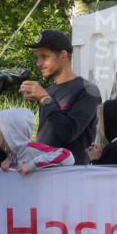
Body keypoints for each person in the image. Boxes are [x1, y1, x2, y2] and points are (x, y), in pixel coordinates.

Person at [20, 29, 101, 164]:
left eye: (44, 57)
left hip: (71, 176)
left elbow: (68, 133)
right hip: (45, 172)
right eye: (37, 57)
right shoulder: (49, 91)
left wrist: (45, 99)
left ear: (63, 55)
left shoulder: (87, 89)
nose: (38, 63)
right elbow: (47, 137)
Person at [0, 108, 74, 175]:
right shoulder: (14, 152)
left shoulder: (32, 148)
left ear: (11, 135)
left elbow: (67, 156)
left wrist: (32, 164)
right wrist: (10, 160)